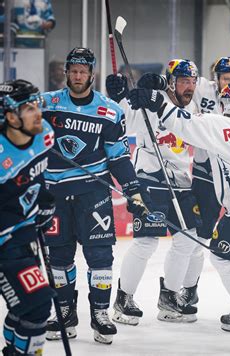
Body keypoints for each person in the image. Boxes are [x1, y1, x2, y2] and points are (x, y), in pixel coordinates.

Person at [128, 83, 230, 333]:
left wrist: (158, 101)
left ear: (223, 105)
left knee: (221, 256)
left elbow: (183, 123)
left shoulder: (218, 125)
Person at [41, 47, 148, 345]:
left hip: (94, 194)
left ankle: (100, 314)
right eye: (73, 70)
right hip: (55, 195)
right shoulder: (46, 104)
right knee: (58, 257)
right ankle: (64, 312)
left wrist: (133, 191)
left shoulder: (109, 110)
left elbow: (118, 157)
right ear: (66, 72)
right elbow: (19, 129)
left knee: (100, 257)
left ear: (92, 74)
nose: (77, 75)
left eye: (83, 71)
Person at [105, 59, 204, 325]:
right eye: (184, 81)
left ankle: (169, 297)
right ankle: (124, 298)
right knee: (147, 241)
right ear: (171, 82)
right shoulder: (150, 101)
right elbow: (122, 117)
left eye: (193, 82)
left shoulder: (192, 106)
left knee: (188, 241)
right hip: (150, 178)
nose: (190, 87)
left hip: (182, 182)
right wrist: (120, 96)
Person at [0, 79, 55, 355]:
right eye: (29, 108)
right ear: (10, 117)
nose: (38, 113)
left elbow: (39, 174)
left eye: (38, 105)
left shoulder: (44, 133)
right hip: (4, 242)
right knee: (38, 305)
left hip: (24, 232)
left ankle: (13, 347)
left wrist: (44, 202)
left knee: (27, 308)